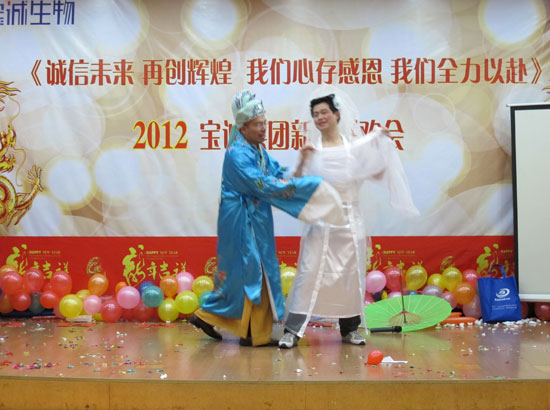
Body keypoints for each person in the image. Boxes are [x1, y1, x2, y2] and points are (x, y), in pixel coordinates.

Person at [189, 90, 345, 347]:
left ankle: (212, 318)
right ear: (244, 127)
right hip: (241, 219)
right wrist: (309, 188)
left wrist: (303, 165)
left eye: (264, 123)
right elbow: (263, 184)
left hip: (253, 217)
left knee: (247, 273)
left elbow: (277, 173)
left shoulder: (257, 149)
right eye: (258, 125)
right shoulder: (237, 154)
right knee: (254, 271)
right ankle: (253, 333)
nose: (264, 129)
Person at [279, 92, 419, 349]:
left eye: (324, 112)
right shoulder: (312, 151)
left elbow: (375, 172)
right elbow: (293, 185)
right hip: (320, 223)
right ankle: (293, 330)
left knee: (349, 276)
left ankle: (350, 329)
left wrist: (380, 143)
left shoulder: (354, 149)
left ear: (336, 114)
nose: (320, 117)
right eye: (315, 114)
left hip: (349, 222)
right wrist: (302, 161)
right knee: (308, 274)